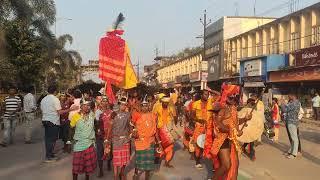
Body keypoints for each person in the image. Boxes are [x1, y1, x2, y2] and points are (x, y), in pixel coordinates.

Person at [211, 84, 251, 180]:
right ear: (226, 95)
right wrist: (231, 130)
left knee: (235, 165)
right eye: (231, 96)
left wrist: (245, 118)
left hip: (231, 140)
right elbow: (218, 124)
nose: (233, 98)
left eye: (235, 96)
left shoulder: (233, 108)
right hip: (222, 140)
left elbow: (235, 123)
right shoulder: (222, 108)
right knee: (226, 165)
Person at [40, 85, 77, 162]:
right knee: (51, 139)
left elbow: (42, 110)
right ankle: (49, 157)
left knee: (48, 139)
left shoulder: (43, 99)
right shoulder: (55, 99)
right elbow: (59, 112)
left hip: (45, 120)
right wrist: (70, 109)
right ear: (55, 92)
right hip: (53, 121)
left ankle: (50, 154)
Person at [68, 99, 97, 180]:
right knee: (76, 167)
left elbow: (95, 124)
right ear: (81, 106)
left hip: (89, 144)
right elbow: (71, 128)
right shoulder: (75, 116)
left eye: (88, 105)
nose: (87, 107)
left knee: (88, 167)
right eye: (85, 105)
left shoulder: (92, 114)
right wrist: (69, 141)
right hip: (79, 144)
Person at [132, 97, 157, 180]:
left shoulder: (153, 116)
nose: (145, 107)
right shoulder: (137, 115)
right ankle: (136, 174)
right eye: (143, 106)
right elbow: (133, 126)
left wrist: (159, 143)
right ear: (141, 107)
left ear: (148, 107)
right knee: (138, 159)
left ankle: (147, 177)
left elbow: (155, 130)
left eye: (146, 106)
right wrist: (134, 132)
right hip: (140, 141)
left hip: (150, 141)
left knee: (149, 162)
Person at [155, 96, 180, 168]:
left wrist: (174, 125)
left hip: (168, 129)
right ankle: (157, 157)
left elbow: (175, 117)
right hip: (160, 128)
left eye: (167, 103)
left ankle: (167, 161)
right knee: (159, 144)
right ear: (162, 102)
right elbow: (155, 117)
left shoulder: (171, 108)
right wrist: (155, 128)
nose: (166, 104)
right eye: (164, 102)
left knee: (170, 146)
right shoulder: (157, 107)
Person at [191, 90, 213, 169]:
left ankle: (210, 160)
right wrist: (199, 120)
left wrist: (210, 90)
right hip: (199, 126)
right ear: (201, 95)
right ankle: (198, 161)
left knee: (208, 143)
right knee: (199, 143)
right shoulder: (195, 104)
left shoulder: (211, 102)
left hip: (209, 126)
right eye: (205, 94)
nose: (207, 96)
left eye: (208, 94)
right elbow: (192, 116)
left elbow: (219, 95)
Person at [111, 97, 131, 180]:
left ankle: (122, 173)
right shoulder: (114, 114)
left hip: (125, 140)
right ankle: (115, 176)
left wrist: (130, 134)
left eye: (125, 105)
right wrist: (107, 140)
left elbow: (129, 126)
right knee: (116, 161)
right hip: (116, 140)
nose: (123, 106)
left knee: (124, 161)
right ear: (119, 105)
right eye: (122, 104)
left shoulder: (128, 114)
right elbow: (110, 127)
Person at [281, 93, 301, 159]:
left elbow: (285, 110)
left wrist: (282, 103)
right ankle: (291, 151)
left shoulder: (294, 103)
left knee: (294, 138)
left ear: (293, 96)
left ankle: (294, 154)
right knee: (293, 138)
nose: (288, 97)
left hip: (291, 122)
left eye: (289, 96)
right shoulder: (295, 102)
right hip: (292, 121)